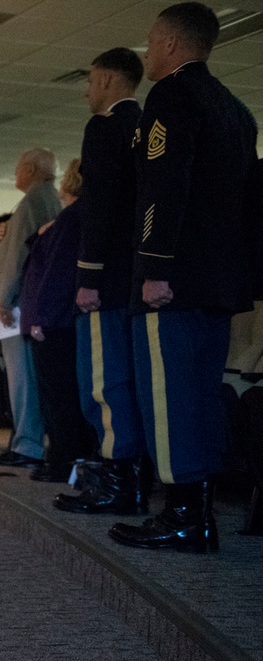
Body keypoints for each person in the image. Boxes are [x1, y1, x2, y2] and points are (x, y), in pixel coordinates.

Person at [108, 2, 259, 552]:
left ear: (172, 44)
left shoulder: (172, 96)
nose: (147, 54)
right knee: (202, 394)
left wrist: (154, 266)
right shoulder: (237, 110)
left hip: (172, 282)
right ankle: (200, 512)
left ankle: (182, 515)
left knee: (168, 396)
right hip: (217, 284)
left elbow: (163, 188)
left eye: (151, 43)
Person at [52, 47, 149, 516]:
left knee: (104, 383)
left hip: (106, 279)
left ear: (109, 80)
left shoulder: (106, 127)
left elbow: (101, 207)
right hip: (133, 277)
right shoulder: (148, 127)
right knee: (127, 381)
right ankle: (130, 477)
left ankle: (115, 481)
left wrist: (87, 275)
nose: (88, 91)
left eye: (91, 81)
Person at [0, 148, 62, 474]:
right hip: (23, 301)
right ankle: (25, 440)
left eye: (17, 168)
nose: (15, 174)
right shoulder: (43, 198)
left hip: (16, 303)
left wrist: (5, 297)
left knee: (22, 376)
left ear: (29, 168)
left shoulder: (33, 201)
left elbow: (19, 256)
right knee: (23, 374)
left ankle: (27, 443)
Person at [19, 159, 97, 476]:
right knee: (61, 392)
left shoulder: (72, 217)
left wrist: (41, 316)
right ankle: (64, 457)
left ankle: (63, 459)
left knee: (58, 393)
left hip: (55, 320)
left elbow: (56, 273)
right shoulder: (69, 218)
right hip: (60, 318)